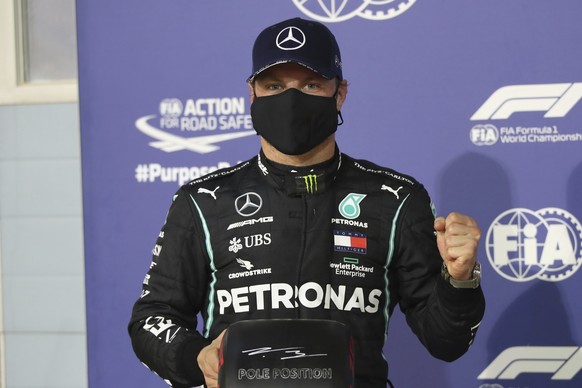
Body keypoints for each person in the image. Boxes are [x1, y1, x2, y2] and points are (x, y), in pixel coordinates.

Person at [128, 17, 485, 387]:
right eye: (274, 86)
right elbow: (153, 319)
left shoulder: (395, 200)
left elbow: (447, 342)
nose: (291, 100)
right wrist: (196, 357)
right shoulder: (203, 201)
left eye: (311, 84)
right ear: (252, 94)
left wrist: (459, 280)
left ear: (340, 92)